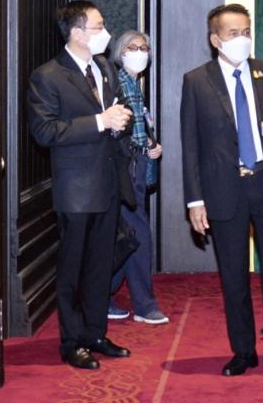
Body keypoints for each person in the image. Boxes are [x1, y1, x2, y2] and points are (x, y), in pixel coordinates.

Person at [180, 4, 263, 379]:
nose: (243, 39)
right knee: (234, 276)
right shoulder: (196, 81)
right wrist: (195, 200)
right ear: (215, 40)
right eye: (233, 33)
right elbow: (190, 145)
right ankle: (243, 350)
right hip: (224, 189)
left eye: (246, 31)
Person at [27, 0, 133, 370]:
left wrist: (121, 121)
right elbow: (45, 131)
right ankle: (71, 342)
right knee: (72, 269)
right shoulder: (48, 76)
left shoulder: (104, 68)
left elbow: (118, 114)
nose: (106, 33)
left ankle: (95, 334)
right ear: (76, 32)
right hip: (76, 189)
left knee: (101, 267)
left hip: (109, 182)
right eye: (98, 26)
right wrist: (101, 122)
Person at [107, 30, 169, 325]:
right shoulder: (117, 82)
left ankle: (101, 296)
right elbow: (117, 132)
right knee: (138, 235)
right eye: (132, 47)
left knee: (129, 237)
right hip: (126, 171)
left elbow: (140, 128)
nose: (140, 52)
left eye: (144, 47)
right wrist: (142, 147)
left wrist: (151, 146)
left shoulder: (134, 84)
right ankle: (144, 306)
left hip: (138, 169)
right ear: (121, 52)